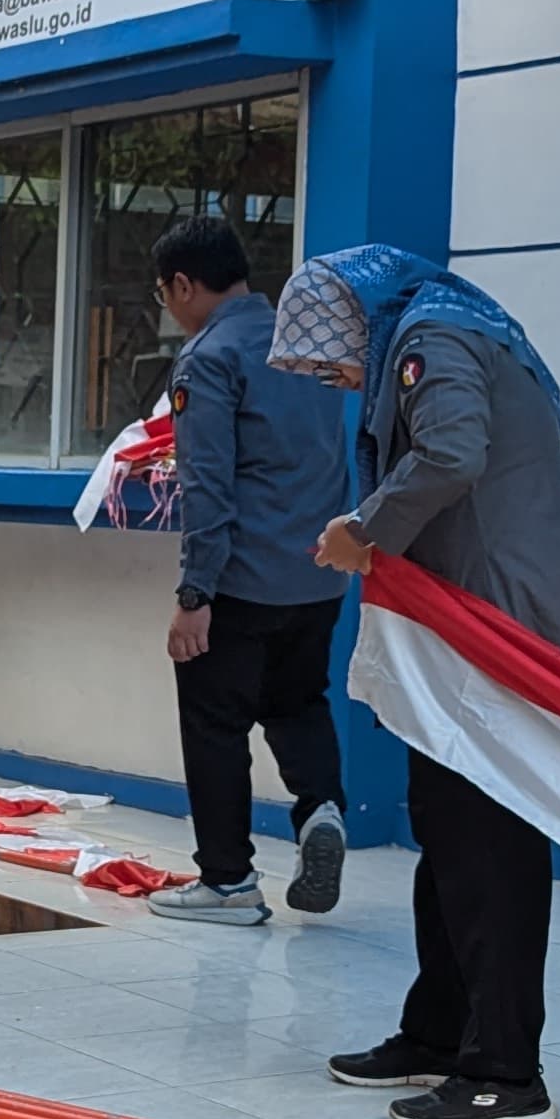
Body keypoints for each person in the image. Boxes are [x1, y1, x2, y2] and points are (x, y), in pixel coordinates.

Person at [283, 247, 560, 1119]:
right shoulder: (435, 329)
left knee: (489, 846)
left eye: (330, 357)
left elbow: (452, 452)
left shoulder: (434, 336)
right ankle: (438, 1032)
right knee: (448, 832)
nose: (335, 378)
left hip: (497, 628)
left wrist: (364, 529)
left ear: (358, 320)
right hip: (464, 626)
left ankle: (505, 1072)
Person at [142, 216, 351, 928]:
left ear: (183, 284)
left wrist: (194, 592)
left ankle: (228, 881)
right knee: (299, 702)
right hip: (318, 574)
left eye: (165, 294)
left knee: (215, 722)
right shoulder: (306, 347)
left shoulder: (209, 357)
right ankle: (321, 809)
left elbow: (206, 484)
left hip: (240, 579)